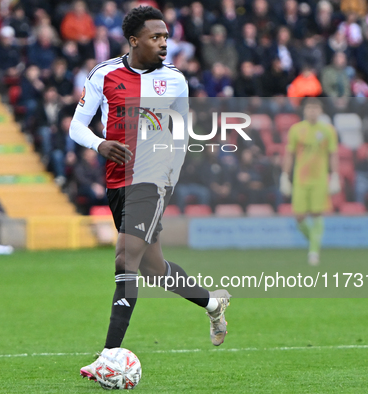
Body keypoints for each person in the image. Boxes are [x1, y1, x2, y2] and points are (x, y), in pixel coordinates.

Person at [68, 6, 231, 384]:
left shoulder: (174, 81)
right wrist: (100, 144)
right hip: (117, 181)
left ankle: (108, 356)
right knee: (153, 268)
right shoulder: (104, 75)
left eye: (166, 37)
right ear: (134, 40)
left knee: (125, 259)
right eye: (156, 37)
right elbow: (77, 126)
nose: (163, 43)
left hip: (152, 182)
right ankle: (213, 303)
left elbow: (183, 133)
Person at [280, 99, 340, 265]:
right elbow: (290, 153)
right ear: (304, 111)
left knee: (316, 214)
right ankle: (314, 242)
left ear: (321, 111)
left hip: (319, 179)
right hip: (301, 179)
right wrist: (285, 176)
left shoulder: (328, 130)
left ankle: (313, 252)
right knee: (299, 216)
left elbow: (333, 154)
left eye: (316, 108)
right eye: (310, 108)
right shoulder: (296, 130)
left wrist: (335, 175)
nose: (312, 111)